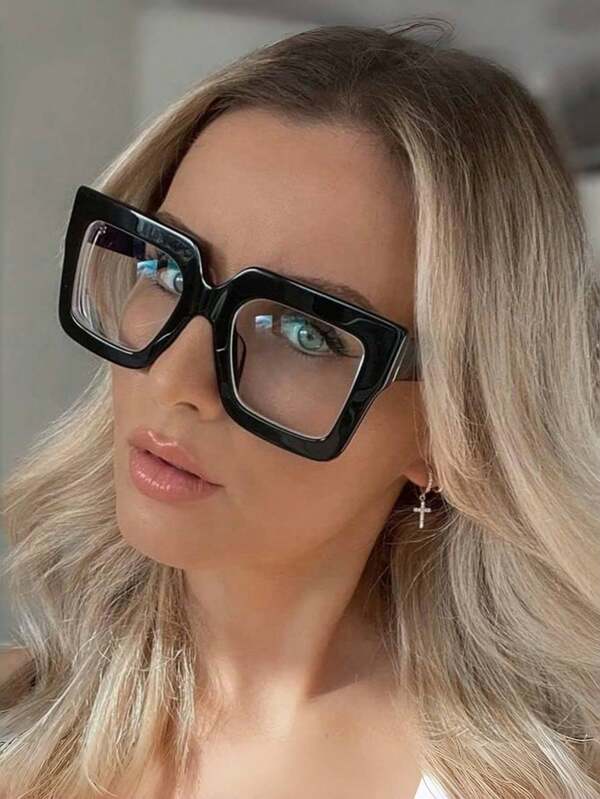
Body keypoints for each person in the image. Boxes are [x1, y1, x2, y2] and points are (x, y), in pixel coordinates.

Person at [1, 18, 599, 799]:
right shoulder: (15, 723)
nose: (177, 376)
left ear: (450, 428)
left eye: (300, 330)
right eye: (164, 266)